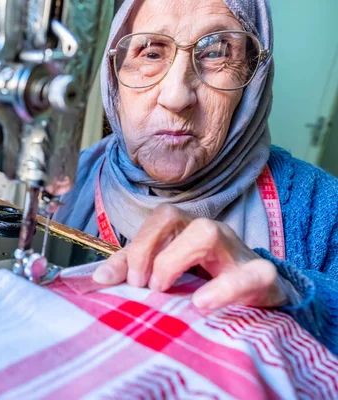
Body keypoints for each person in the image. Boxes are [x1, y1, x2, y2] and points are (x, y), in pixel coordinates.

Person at [55, 0, 338, 355]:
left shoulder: (321, 206)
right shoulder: (73, 176)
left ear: (252, 78)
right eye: (150, 53)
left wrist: (293, 291)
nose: (176, 96)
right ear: (114, 75)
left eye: (216, 52)